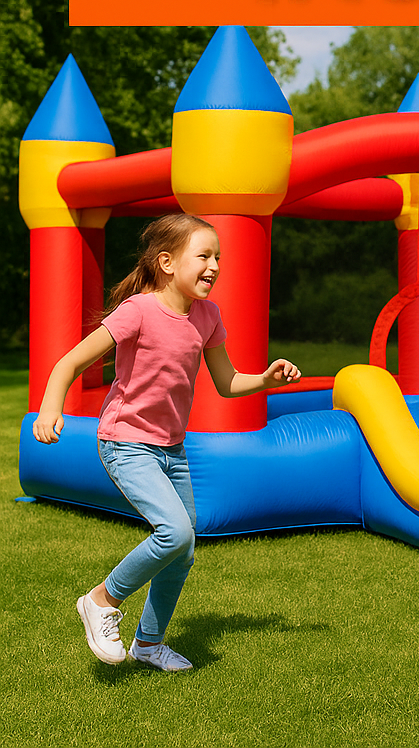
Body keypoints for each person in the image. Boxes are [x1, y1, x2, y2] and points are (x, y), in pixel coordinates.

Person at [32, 214, 301, 672]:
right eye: (204, 256)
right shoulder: (138, 310)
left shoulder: (207, 316)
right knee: (173, 533)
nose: (214, 265)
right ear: (167, 262)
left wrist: (266, 378)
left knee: (184, 548)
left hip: (171, 449)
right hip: (125, 441)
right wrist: (49, 407)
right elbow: (69, 362)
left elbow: (227, 381)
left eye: (218, 257)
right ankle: (100, 600)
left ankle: (149, 644)